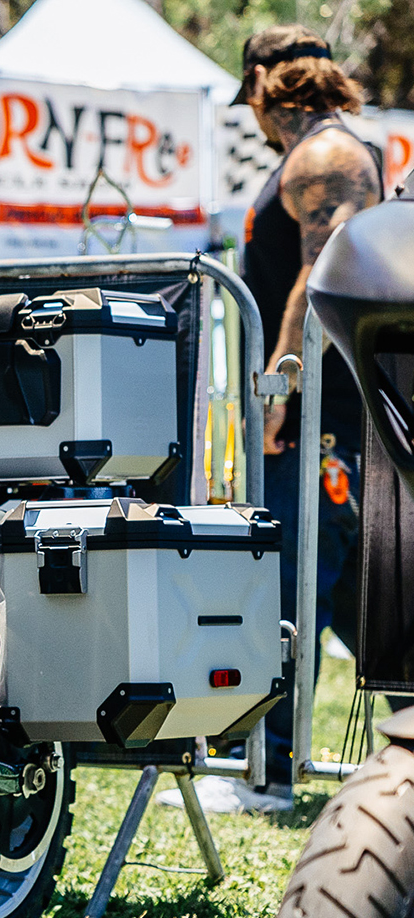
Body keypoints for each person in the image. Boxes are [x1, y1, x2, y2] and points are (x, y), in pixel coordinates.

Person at [164, 26, 382, 815]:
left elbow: (321, 270)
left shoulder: (328, 156)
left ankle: (273, 769)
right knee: (362, 597)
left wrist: (283, 387)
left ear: (262, 81)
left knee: (293, 587)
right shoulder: (324, 151)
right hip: (328, 411)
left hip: (323, 412)